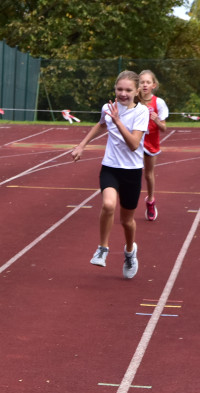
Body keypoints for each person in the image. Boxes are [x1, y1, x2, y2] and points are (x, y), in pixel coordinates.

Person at [70, 70, 149, 280]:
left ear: (137, 91)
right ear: (115, 89)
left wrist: (118, 120)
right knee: (108, 205)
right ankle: (102, 248)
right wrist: (81, 146)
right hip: (111, 167)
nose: (123, 94)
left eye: (128, 90)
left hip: (132, 171)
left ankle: (130, 251)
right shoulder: (108, 108)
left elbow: (133, 144)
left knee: (127, 221)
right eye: (119, 89)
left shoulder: (142, 112)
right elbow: (101, 124)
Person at [137, 70, 168, 221]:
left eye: (147, 82)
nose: (144, 85)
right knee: (132, 172)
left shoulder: (159, 102)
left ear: (153, 85)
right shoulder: (133, 100)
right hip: (135, 141)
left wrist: (156, 120)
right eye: (141, 82)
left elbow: (164, 128)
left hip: (151, 143)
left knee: (148, 174)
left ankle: (150, 201)